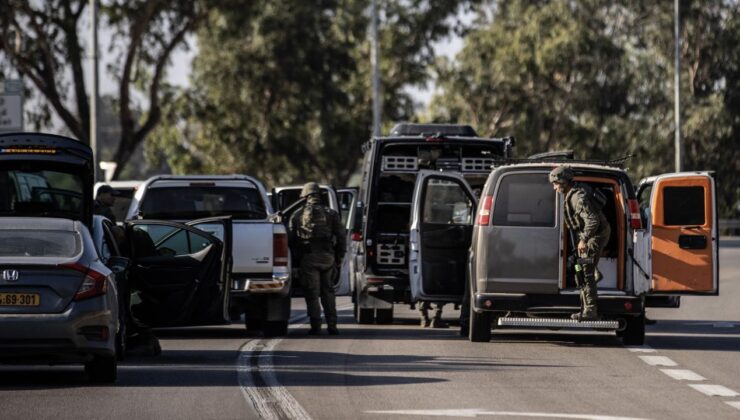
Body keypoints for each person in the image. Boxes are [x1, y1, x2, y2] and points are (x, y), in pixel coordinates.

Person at [549, 165, 611, 321]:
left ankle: (591, 310)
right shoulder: (575, 191)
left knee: (585, 271)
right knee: (581, 269)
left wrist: (583, 239)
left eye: (556, 184)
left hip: (595, 235)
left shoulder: (577, 198)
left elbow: (593, 221)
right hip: (593, 234)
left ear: (563, 182)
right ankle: (585, 309)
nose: (555, 188)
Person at [289, 182, 346, 335]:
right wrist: (339, 257)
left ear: (305, 196)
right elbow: (341, 236)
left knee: (312, 293)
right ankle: (332, 326)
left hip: (308, 259)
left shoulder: (297, 215)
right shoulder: (331, 213)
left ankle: (315, 327)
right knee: (328, 292)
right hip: (328, 257)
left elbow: (291, 240)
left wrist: (295, 262)